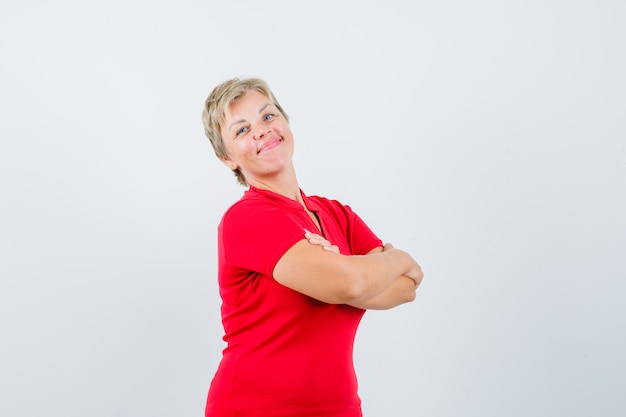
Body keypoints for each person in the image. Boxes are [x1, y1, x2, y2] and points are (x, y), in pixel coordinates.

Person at [201, 77, 423, 417]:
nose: (261, 130)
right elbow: (353, 283)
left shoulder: (338, 214)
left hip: (340, 408)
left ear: (286, 122)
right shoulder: (246, 218)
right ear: (227, 158)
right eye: (242, 130)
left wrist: (344, 276)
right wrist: (397, 258)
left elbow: (407, 287)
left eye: (268, 116)